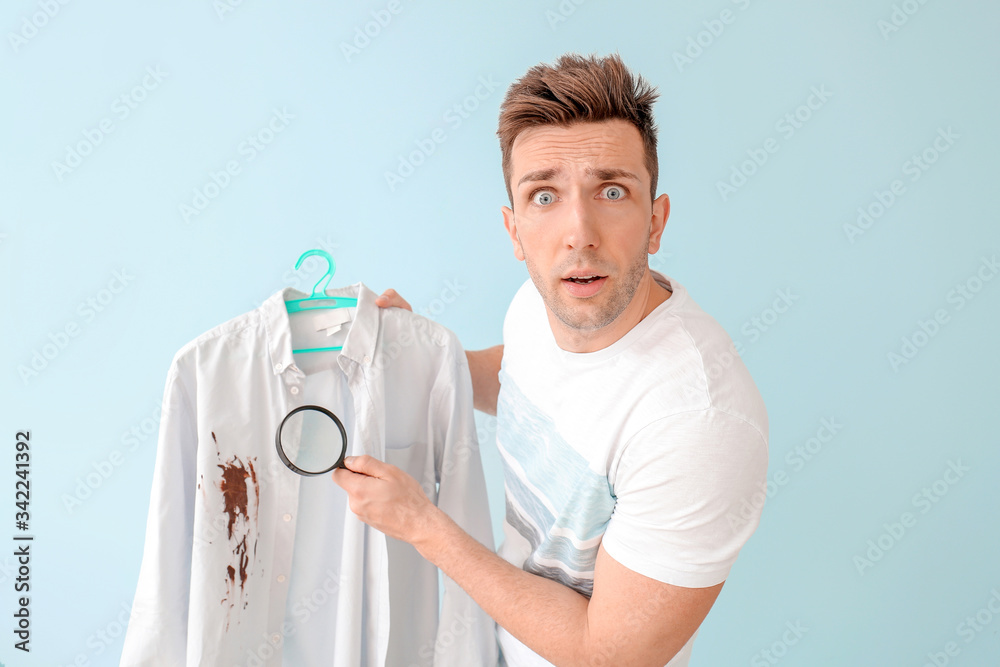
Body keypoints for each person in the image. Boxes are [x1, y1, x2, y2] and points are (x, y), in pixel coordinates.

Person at [333, 52, 769, 666]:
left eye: (611, 191)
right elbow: (524, 379)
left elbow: (606, 655)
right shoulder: (545, 303)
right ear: (514, 231)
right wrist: (429, 357)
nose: (579, 233)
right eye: (545, 197)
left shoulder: (697, 421)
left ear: (656, 220)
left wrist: (421, 526)